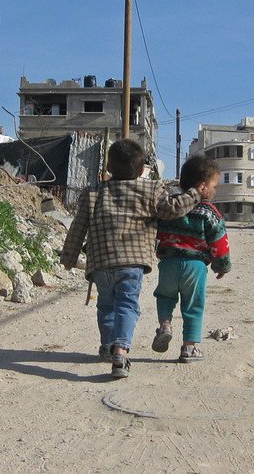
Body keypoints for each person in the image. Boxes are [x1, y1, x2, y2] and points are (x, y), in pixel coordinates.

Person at [60, 139, 209, 379]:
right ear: (141, 170)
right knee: (127, 305)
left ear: (109, 167)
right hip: (132, 263)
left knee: (106, 306)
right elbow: (172, 208)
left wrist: (69, 255)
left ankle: (109, 346)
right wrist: (194, 194)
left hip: (101, 262)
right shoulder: (150, 190)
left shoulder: (93, 193)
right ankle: (121, 351)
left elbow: (79, 226)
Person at [152, 155, 230, 363]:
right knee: (193, 305)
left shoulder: (170, 208)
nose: (215, 190)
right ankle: (189, 348)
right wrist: (222, 266)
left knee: (165, 297)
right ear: (203, 187)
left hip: (168, 264)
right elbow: (219, 241)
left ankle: (165, 325)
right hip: (195, 267)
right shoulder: (209, 212)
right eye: (214, 186)